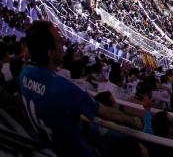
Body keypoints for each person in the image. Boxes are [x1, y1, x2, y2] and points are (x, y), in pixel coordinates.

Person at [19, 21, 142, 157]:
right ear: (50, 53)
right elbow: (104, 112)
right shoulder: (62, 88)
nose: (63, 44)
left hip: (46, 148)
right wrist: (133, 120)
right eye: (60, 41)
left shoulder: (24, 74)